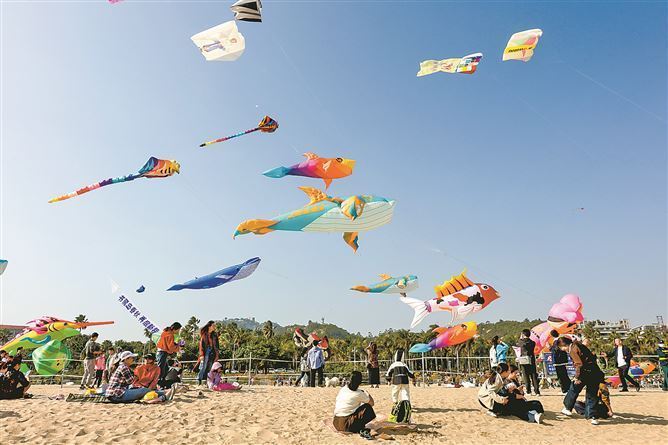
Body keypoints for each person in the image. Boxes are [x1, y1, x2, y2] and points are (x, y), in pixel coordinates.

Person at [559, 337, 605, 425]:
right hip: (594, 371)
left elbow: (579, 364)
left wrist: (577, 377)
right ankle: (593, 417)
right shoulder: (580, 345)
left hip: (584, 373)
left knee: (573, 389)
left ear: (564, 345)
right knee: (592, 394)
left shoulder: (572, 349)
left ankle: (568, 408)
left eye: (562, 348)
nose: (563, 350)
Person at [105, 351, 174, 403]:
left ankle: (165, 393)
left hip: (115, 393)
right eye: (132, 358)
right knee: (145, 390)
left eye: (149, 358)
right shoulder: (125, 367)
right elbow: (131, 381)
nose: (133, 359)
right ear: (126, 359)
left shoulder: (122, 366)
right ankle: (164, 394)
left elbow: (154, 381)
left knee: (145, 391)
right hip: (117, 394)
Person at [333, 371, 377, 438]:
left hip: (336, 422)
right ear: (360, 382)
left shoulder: (343, 389)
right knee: (367, 407)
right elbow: (372, 403)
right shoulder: (359, 393)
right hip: (346, 425)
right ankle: (359, 427)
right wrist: (367, 394)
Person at [386, 349, 415, 423]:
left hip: (396, 381)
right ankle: (406, 407)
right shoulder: (404, 364)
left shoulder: (393, 365)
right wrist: (413, 378)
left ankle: (395, 405)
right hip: (405, 381)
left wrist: (389, 380)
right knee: (405, 394)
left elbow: (388, 374)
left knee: (395, 394)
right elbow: (410, 373)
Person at [156, 322, 182, 387]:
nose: (178, 331)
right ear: (175, 329)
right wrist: (178, 347)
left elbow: (168, 344)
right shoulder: (170, 335)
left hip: (161, 352)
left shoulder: (166, 332)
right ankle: (159, 384)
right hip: (162, 352)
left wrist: (175, 345)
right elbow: (171, 347)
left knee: (165, 368)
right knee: (161, 370)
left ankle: (162, 383)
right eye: (178, 330)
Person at [517, 329, 540, 396]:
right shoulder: (533, 342)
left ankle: (528, 391)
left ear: (523, 334)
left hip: (523, 360)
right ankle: (537, 391)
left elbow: (519, 344)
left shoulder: (520, 342)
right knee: (533, 376)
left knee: (526, 376)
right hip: (531, 360)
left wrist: (521, 338)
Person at [197, 321, 220, 386]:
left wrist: (217, 355)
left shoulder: (214, 335)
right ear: (209, 326)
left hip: (213, 351)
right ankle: (199, 380)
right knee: (203, 367)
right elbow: (201, 345)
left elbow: (217, 346)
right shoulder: (204, 334)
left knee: (210, 367)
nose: (214, 327)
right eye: (213, 325)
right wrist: (201, 355)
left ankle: (207, 382)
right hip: (206, 351)